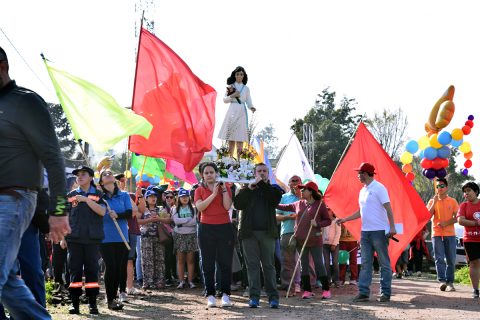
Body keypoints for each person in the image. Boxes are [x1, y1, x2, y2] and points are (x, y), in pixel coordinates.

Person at [0, 46, 70, 319]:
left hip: (13, 199)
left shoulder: (25, 102)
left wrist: (59, 209)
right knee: (6, 280)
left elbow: (54, 159)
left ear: (2, 66)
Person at [337, 162, 396, 303]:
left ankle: (385, 293)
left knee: (384, 263)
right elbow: (361, 212)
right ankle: (363, 293)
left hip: (379, 232)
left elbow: (388, 208)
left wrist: (392, 227)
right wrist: (345, 219)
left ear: (367, 173)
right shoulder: (362, 190)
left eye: (360, 173)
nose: (358, 175)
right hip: (365, 232)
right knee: (365, 263)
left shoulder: (379, 188)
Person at [234, 163, 282, 308]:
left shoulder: (273, 189)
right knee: (252, 266)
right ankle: (254, 297)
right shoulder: (246, 189)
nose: (261, 173)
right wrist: (249, 188)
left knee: (269, 266)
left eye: (264, 171)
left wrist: (262, 184)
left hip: (267, 234)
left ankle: (273, 297)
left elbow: (274, 200)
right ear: (254, 173)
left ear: (268, 174)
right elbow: (238, 205)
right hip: (249, 234)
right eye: (259, 171)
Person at [277, 181, 332, 300]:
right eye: (301, 189)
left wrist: (318, 223)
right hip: (301, 240)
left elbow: (328, 221)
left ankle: (326, 290)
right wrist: (272, 201)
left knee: (319, 264)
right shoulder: (298, 203)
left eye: (304, 189)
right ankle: (307, 290)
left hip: (315, 240)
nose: (301, 191)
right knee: (304, 266)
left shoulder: (320, 204)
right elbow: (282, 206)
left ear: (311, 191)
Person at [65, 166, 106, 314]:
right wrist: (64, 238)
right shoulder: (70, 195)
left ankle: (92, 303)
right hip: (74, 239)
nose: (80, 177)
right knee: (74, 272)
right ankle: (74, 303)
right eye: (78, 175)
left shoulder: (99, 194)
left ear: (91, 177)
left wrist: (86, 200)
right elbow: (65, 217)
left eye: (83, 174)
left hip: (92, 239)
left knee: (92, 272)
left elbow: (102, 211)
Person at [194, 162, 234, 308]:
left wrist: (222, 191)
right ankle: (210, 294)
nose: (209, 175)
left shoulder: (226, 187)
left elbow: (227, 206)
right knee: (207, 263)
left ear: (216, 173)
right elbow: (200, 207)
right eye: (206, 173)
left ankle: (225, 294)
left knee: (225, 262)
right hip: (206, 228)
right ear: (202, 175)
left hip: (224, 227)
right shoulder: (199, 190)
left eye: (212, 172)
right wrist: (213, 194)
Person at [98, 169, 132, 310]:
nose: (108, 174)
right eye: (104, 174)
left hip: (122, 237)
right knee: (110, 266)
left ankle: (115, 296)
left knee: (118, 268)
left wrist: (117, 215)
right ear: (101, 182)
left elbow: (129, 213)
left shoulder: (123, 195)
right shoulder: (99, 197)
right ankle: (110, 299)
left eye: (110, 173)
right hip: (105, 238)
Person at [426, 178, 459, 291]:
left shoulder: (453, 201)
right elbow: (427, 216)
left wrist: (446, 223)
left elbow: (458, 218)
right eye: (437, 186)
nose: (439, 188)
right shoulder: (432, 201)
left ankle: (450, 282)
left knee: (450, 259)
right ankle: (442, 281)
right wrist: (434, 202)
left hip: (450, 234)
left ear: (447, 187)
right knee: (439, 258)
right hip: (436, 233)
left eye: (442, 186)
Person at [217, 66, 256, 158]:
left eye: (241, 74)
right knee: (231, 137)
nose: (239, 76)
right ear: (234, 75)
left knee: (240, 136)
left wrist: (251, 107)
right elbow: (225, 100)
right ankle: (230, 159)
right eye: (238, 74)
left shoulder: (246, 89)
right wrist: (233, 95)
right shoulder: (231, 87)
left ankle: (239, 160)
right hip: (232, 111)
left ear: (243, 76)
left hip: (242, 111)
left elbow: (248, 100)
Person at [275, 175, 302, 294]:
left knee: (305, 260)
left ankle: (307, 284)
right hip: (287, 231)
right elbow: (276, 216)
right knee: (287, 260)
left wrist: (301, 196)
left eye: (297, 181)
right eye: (292, 181)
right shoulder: (283, 197)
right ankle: (287, 285)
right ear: (289, 183)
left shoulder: (306, 196)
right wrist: (287, 217)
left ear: (301, 182)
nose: (295, 183)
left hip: (304, 232)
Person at [138, 190, 167, 290]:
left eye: (154, 196)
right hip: (146, 237)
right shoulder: (142, 209)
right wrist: (149, 220)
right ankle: (147, 281)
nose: (153, 198)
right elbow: (137, 221)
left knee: (159, 259)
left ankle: (160, 281)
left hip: (159, 237)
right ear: (146, 198)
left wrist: (159, 219)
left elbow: (169, 220)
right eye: (150, 196)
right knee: (147, 259)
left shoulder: (161, 209)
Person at [457, 181, 480, 299]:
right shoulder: (463, 206)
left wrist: (471, 222)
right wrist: (476, 223)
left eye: (469, 190)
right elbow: (460, 221)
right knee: (474, 263)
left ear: (476, 191)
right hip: (470, 240)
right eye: (465, 192)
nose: (467, 193)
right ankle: (475, 290)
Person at [172, 188, 198, 289]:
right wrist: (188, 220)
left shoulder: (194, 208)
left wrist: (183, 221)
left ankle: (190, 281)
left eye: (186, 196)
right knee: (180, 259)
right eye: (182, 197)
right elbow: (176, 221)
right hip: (179, 235)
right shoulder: (175, 209)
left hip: (191, 235)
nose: (185, 198)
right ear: (179, 198)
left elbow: (195, 221)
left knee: (190, 259)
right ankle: (181, 281)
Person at [323, 207, 341, 287]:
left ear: (332, 211)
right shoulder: (323, 220)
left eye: (329, 209)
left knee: (335, 262)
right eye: (326, 209)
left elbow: (338, 233)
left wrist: (334, 244)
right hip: (324, 244)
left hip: (334, 245)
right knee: (326, 263)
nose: (327, 211)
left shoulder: (337, 220)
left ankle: (336, 280)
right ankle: (328, 279)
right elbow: (321, 231)